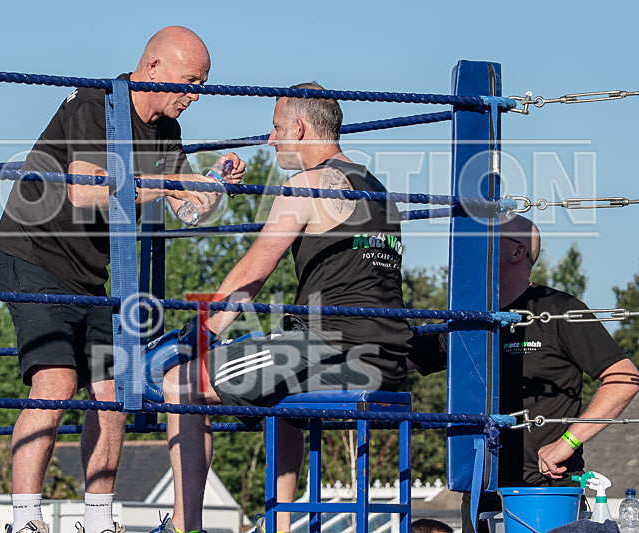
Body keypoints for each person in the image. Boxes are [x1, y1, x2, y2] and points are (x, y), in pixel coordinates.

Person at [0, 26, 246, 533]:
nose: (195, 95)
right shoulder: (97, 102)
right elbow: (85, 191)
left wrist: (214, 184)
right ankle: (24, 520)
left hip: (92, 276)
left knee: (113, 391)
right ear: (153, 68)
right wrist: (172, 182)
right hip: (35, 254)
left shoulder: (167, 131)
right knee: (57, 381)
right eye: (190, 82)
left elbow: (185, 209)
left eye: (203, 85)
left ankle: (99, 520)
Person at [153, 82, 413, 533]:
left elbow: (252, 273)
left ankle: (183, 527)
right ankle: (279, 523)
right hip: (387, 361)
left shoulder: (305, 185)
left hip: (334, 348)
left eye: (276, 128)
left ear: (300, 128)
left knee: (181, 383)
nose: (271, 139)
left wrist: (197, 338)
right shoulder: (378, 189)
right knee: (278, 385)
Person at [408, 215, 639, 533]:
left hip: (544, 493)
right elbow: (400, 357)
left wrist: (567, 442)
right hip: (481, 490)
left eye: (489, 240)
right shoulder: (471, 319)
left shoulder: (559, 309)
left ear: (518, 252)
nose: (478, 248)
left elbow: (625, 378)